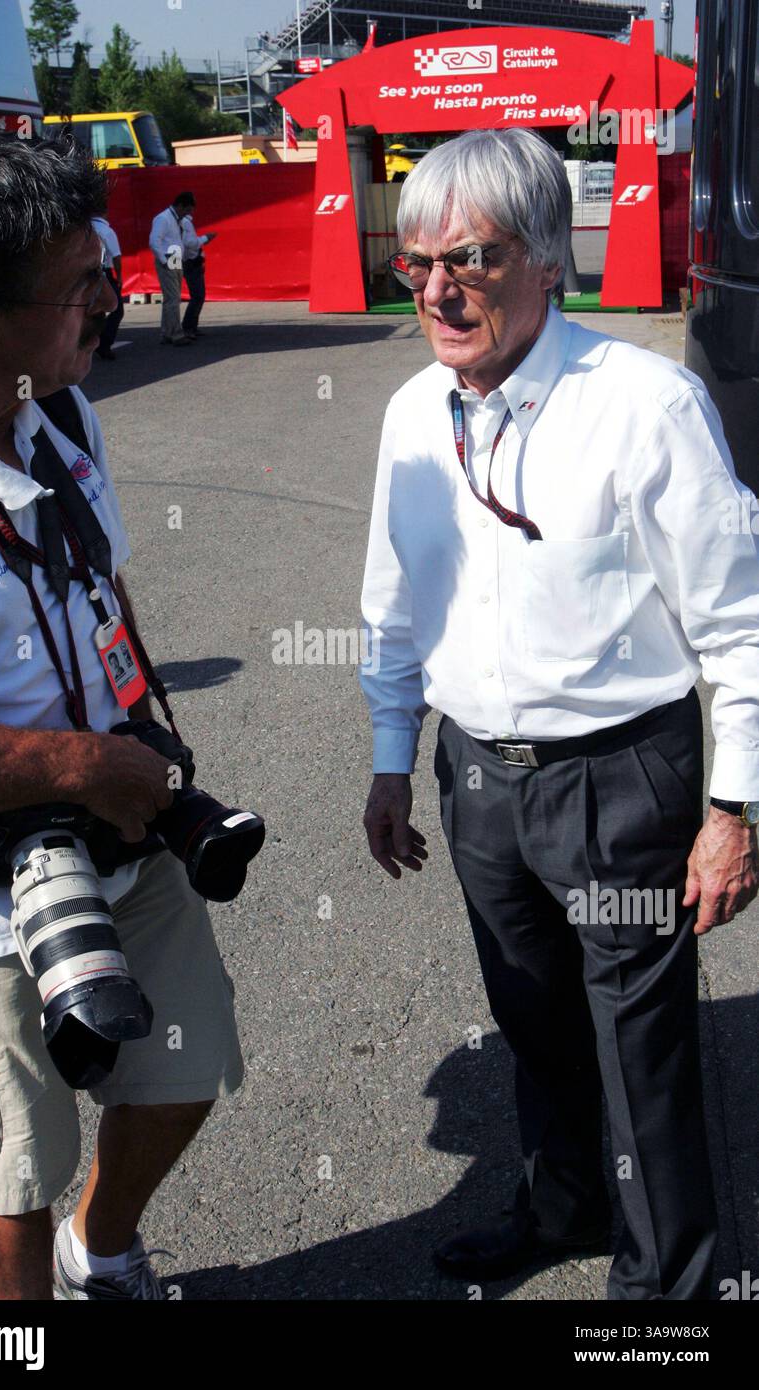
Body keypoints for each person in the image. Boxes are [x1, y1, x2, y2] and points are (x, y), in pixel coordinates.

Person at [359, 128, 759, 1301]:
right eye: (417, 262)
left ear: (546, 258)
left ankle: (662, 1294)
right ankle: (563, 1204)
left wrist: (732, 808)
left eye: (470, 259)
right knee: (529, 1017)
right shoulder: (410, 413)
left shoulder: (643, 405)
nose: (437, 291)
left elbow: (739, 623)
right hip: (476, 777)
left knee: (639, 1046)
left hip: (618, 778)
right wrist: (391, 759)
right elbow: (391, 601)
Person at [0, 110, 243, 1301]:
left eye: (105, 268)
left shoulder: (58, 405)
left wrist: (146, 734)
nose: (110, 298)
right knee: (9, 1170)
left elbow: (100, 575)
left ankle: (104, 1245)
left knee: (185, 1063)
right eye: (80, 285)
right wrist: (79, 767)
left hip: (122, 819)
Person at [148, 192, 216, 346]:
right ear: (180, 206)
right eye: (187, 210)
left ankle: (167, 332)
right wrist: (164, 260)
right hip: (169, 257)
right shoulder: (164, 218)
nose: (188, 214)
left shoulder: (174, 219)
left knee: (171, 298)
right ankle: (176, 334)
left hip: (174, 257)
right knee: (173, 298)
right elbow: (154, 241)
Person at [91, 213, 124, 360]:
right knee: (117, 309)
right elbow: (116, 256)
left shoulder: (85, 228)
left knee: (90, 310)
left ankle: (86, 342)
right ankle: (104, 343)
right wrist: (119, 276)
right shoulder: (106, 231)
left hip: (85, 273)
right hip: (104, 273)